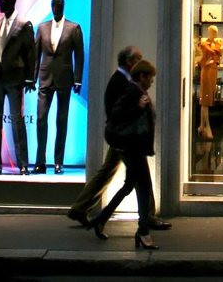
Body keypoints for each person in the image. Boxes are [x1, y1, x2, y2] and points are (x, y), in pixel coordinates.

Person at [66, 47, 170, 231]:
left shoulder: (122, 80)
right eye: (138, 59)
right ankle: (146, 217)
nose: (140, 62)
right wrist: (136, 111)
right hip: (126, 138)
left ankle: (83, 209)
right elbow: (118, 111)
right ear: (129, 62)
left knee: (113, 173)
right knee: (138, 179)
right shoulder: (122, 82)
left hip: (122, 137)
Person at [89, 59, 160, 249]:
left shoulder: (137, 91)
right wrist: (138, 107)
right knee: (143, 187)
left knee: (130, 185)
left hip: (133, 146)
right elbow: (118, 115)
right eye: (150, 77)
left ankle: (101, 219)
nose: (152, 81)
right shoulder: (132, 92)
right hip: (131, 147)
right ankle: (143, 231)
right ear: (142, 76)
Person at [34, 0, 84, 175]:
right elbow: (36, 54)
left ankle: (58, 162)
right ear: (51, 6)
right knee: (41, 118)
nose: (56, 7)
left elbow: (79, 55)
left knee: (61, 121)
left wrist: (78, 79)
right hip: (45, 77)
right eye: (54, 4)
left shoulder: (73, 28)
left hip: (64, 78)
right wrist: (32, 78)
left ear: (63, 6)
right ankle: (40, 161)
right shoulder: (42, 28)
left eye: (59, 4)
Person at [0, 0, 36, 175]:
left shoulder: (23, 24)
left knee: (17, 122)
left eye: (3, 1)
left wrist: (30, 77)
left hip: (14, 80)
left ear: (12, 2)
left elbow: (31, 53)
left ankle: (23, 163)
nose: (0, 4)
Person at [197, 25, 222, 140]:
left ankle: (202, 126)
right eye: (213, 32)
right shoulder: (203, 44)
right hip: (206, 71)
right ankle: (207, 127)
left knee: (206, 100)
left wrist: (214, 59)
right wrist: (205, 62)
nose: (215, 34)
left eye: (216, 32)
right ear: (209, 32)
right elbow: (200, 58)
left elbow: (218, 57)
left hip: (213, 71)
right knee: (205, 100)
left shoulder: (217, 44)